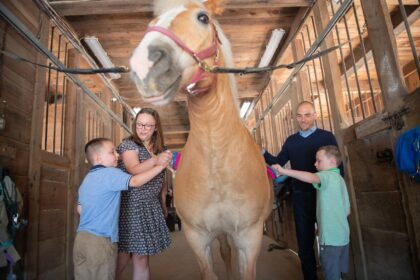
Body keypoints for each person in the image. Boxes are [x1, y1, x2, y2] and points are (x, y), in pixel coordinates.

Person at [263, 101, 341, 280]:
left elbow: (338, 168)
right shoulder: (291, 141)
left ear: (315, 115)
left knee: (330, 241)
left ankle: (334, 275)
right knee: (304, 243)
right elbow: (279, 162)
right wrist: (263, 153)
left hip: (325, 196)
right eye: (299, 116)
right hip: (301, 196)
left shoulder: (327, 137)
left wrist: (341, 199)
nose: (303, 119)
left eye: (307, 115)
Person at [73, 137, 169, 280]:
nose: (117, 155)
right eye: (112, 152)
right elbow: (135, 181)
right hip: (100, 241)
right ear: (99, 158)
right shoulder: (110, 173)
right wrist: (159, 167)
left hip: (81, 239)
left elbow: (80, 209)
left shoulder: (87, 180)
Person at [272, 145, 350, 280]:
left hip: (330, 241)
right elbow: (347, 211)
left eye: (319, 161)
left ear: (332, 162)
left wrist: (284, 171)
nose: (315, 164)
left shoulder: (326, 176)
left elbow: (311, 178)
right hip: (343, 238)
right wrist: (322, 225)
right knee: (337, 273)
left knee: (332, 276)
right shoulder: (340, 180)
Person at [116, 108, 172, 280]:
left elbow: (162, 178)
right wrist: (156, 160)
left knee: (140, 255)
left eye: (148, 125)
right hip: (132, 205)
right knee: (128, 254)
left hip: (150, 205)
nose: (142, 128)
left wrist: (162, 202)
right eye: (139, 124)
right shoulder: (129, 144)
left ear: (156, 128)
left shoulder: (160, 148)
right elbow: (133, 169)